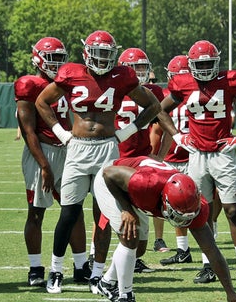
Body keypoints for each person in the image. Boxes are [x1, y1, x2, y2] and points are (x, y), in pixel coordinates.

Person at [35, 30, 180, 294]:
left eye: (107, 55)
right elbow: (42, 102)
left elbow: (153, 105)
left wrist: (127, 131)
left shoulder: (122, 76)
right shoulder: (70, 72)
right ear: (87, 53)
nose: (102, 60)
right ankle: (55, 270)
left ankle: (97, 274)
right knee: (69, 212)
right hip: (77, 148)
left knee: (103, 215)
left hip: (106, 149)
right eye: (98, 54)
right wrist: (61, 134)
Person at [161, 40, 236, 286]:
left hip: (223, 154)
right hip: (197, 155)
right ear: (190, 65)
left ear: (217, 62)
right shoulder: (183, 82)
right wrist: (178, 136)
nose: (205, 68)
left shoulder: (229, 80)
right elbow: (160, 109)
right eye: (200, 64)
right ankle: (207, 266)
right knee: (202, 212)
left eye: (209, 63)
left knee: (232, 210)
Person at [92, 156, 236, 302]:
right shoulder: (146, 183)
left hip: (135, 188)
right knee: (130, 237)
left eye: (186, 218)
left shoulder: (196, 206)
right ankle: (125, 296)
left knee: (139, 248)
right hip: (110, 182)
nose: (182, 222)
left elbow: (211, 250)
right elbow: (109, 174)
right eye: (178, 216)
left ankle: (106, 283)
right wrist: (127, 210)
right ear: (165, 201)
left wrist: (231, 292)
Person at [14, 37, 89, 287]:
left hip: (68, 150)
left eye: (60, 57)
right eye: (52, 58)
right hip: (42, 152)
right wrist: (44, 165)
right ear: (38, 59)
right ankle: (35, 268)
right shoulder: (28, 84)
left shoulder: (67, 82)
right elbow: (28, 131)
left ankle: (80, 266)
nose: (57, 63)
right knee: (36, 213)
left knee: (74, 210)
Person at [116, 47, 168, 266]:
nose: (139, 72)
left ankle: (132, 259)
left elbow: (164, 126)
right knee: (106, 214)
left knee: (141, 237)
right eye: (134, 68)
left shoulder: (153, 92)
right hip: (116, 158)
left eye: (142, 67)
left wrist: (159, 157)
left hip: (142, 159)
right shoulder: (113, 89)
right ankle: (93, 255)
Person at [150, 55, 195, 266]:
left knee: (180, 203)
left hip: (183, 155)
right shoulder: (198, 92)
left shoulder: (170, 95)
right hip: (190, 154)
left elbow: (157, 127)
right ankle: (183, 247)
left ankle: (184, 248)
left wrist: (155, 155)